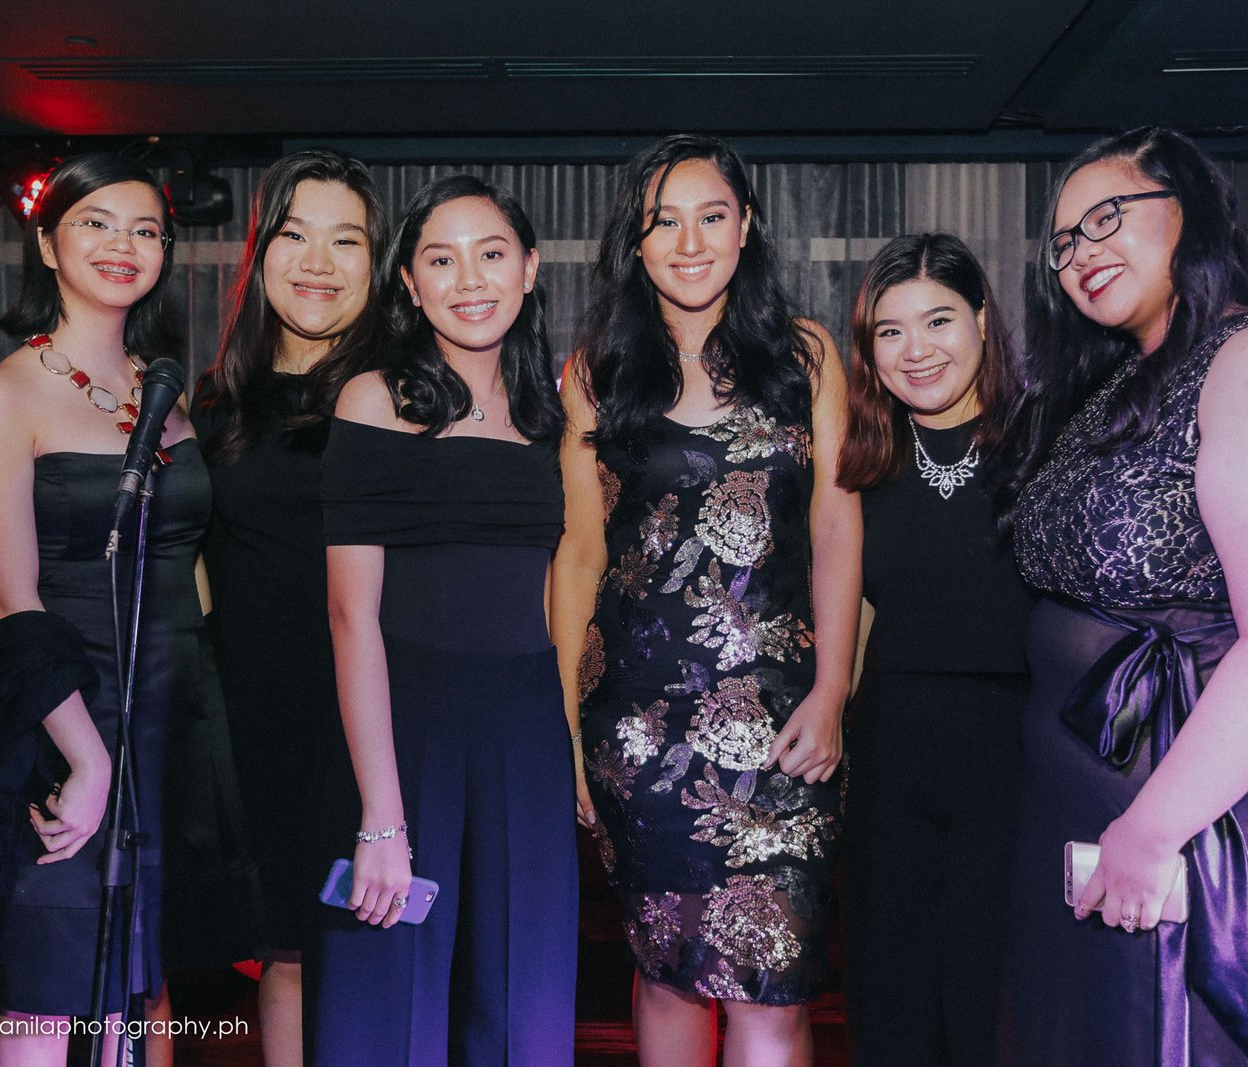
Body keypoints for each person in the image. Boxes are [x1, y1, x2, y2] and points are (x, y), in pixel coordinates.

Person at [1001, 126, 1248, 1065]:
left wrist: (1154, 824)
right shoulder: (1127, 374)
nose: (1081, 253)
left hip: (1221, 815)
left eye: (1107, 218)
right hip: (1105, 806)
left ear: (1192, 213)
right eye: (1064, 241)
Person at [0, 152, 248, 1066]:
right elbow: (10, 598)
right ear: (47, 243)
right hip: (66, 715)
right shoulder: (1, 396)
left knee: (148, 986)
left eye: (146, 229)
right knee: (48, 990)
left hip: (175, 722)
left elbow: (191, 567)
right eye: (96, 223)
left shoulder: (167, 394)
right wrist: (88, 756)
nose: (123, 244)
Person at [554, 133, 861, 1066]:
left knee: (774, 985)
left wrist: (833, 691)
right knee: (667, 973)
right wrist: (568, 732)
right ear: (636, 241)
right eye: (664, 222)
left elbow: (838, 525)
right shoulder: (595, 373)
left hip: (783, 724)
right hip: (636, 726)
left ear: (747, 226)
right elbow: (580, 556)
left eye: (711, 216)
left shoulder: (806, 356)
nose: (689, 242)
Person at [307, 174, 577, 1065]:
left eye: (491, 253)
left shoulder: (552, 415)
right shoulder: (374, 399)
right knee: (388, 1010)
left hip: (527, 731)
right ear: (410, 285)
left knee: (526, 1007)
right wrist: (382, 815)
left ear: (530, 267)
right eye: (441, 259)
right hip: (406, 724)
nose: (470, 279)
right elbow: (350, 615)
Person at [192, 148, 392, 1067]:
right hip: (254, 718)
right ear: (260, 252)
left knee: (377, 951)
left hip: (377, 717)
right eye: (294, 235)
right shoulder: (216, 403)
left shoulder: (402, 398)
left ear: (377, 263)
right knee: (284, 952)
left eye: (345, 240)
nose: (317, 262)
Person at [834, 233, 1033, 1065]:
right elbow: (846, 617)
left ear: (982, 319)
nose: (916, 349)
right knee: (894, 1006)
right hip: (892, 758)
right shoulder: (859, 458)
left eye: (938, 320)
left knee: (994, 1007)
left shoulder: (1044, 441)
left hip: (1017, 759)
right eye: (891, 330)